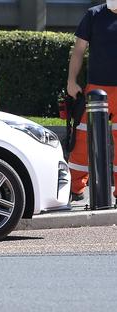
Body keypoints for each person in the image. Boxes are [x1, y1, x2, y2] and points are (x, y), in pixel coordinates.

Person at [67, 1, 117, 202]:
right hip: (96, 90)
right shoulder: (94, 14)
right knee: (82, 140)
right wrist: (71, 81)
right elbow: (78, 50)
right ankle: (74, 187)